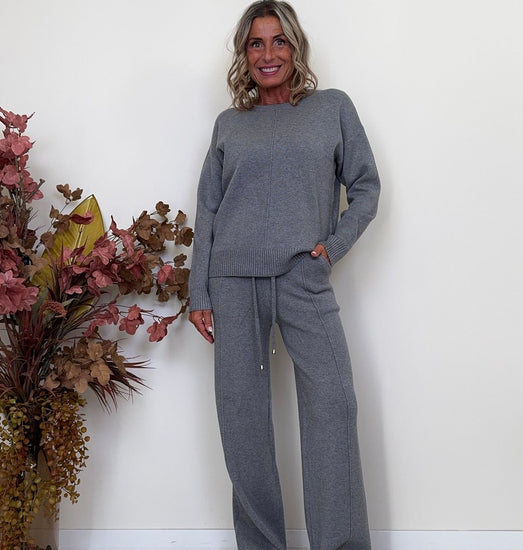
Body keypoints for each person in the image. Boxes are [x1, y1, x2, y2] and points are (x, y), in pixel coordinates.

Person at [189, 1, 380, 548]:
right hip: (232, 283)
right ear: (244, 54)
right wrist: (199, 291)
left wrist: (332, 248)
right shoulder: (229, 124)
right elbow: (209, 209)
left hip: (304, 277)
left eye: (279, 41)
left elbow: (366, 187)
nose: (268, 53)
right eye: (256, 43)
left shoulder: (332, 108)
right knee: (243, 424)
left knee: (333, 408)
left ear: (296, 48)